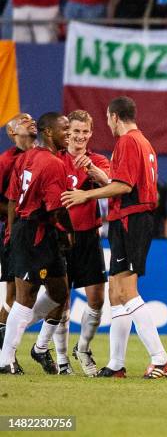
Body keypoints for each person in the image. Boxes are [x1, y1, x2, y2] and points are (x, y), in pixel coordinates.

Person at [61, 96, 167, 379]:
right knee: (115, 294)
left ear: (113, 116)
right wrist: (95, 174)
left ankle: (161, 359)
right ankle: (115, 364)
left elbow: (123, 186)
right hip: (129, 219)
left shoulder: (127, 142)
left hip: (131, 219)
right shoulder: (144, 142)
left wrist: (85, 194)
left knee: (126, 292)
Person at [0, 113, 73, 375]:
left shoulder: (27, 157)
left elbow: (11, 198)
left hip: (29, 229)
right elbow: (55, 210)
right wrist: (68, 233)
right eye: (65, 128)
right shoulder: (53, 164)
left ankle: (12, 332)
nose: (69, 133)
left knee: (60, 291)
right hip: (36, 231)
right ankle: (4, 359)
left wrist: (10, 230)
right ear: (50, 133)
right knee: (25, 296)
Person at [56, 110, 110, 376]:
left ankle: (84, 348)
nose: (79, 137)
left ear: (91, 133)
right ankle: (62, 359)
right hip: (60, 237)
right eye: (75, 132)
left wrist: (90, 167)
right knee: (61, 300)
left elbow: (111, 183)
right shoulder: (55, 159)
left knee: (97, 299)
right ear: (67, 133)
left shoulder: (97, 160)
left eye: (84, 132)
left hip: (89, 236)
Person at [0, 114, 37, 350]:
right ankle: (5, 351)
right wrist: (22, 213)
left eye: (32, 119)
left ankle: (44, 349)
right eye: (23, 120)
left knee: (56, 294)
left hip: (43, 234)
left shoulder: (44, 155)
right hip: (16, 233)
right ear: (12, 132)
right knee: (14, 296)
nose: (30, 121)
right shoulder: (5, 162)